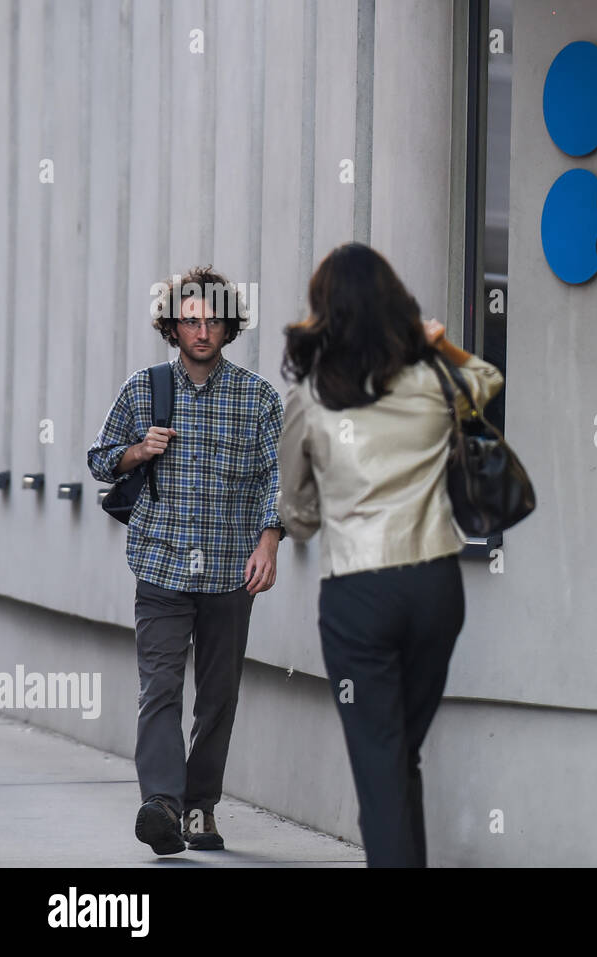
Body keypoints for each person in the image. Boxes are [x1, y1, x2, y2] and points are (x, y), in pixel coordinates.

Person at [276, 242, 503, 867]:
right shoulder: (433, 381)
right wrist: (439, 343)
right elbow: (488, 379)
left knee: (381, 766)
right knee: (399, 755)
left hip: (359, 596)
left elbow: (297, 517)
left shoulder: (310, 398)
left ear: (326, 312)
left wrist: (330, 502)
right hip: (435, 586)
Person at [87, 266, 284, 855]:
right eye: (191, 319)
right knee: (160, 689)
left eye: (213, 320)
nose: (202, 330)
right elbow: (99, 460)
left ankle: (201, 806)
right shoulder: (144, 388)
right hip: (161, 565)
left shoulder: (257, 397)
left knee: (218, 696)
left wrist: (269, 538)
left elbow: (281, 475)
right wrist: (135, 451)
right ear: (173, 325)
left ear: (228, 327)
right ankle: (164, 806)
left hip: (231, 571)